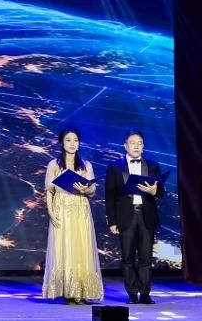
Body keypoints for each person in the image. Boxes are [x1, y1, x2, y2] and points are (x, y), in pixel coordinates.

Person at [42, 128, 103, 304]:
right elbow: (49, 191)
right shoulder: (54, 165)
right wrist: (50, 211)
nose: (72, 143)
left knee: (82, 247)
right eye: (68, 140)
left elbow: (92, 190)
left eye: (75, 140)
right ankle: (68, 291)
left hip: (80, 209)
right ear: (62, 143)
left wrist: (86, 189)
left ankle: (82, 292)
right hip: (61, 208)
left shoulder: (86, 165)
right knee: (65, 247)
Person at [105, 130, 165, 304]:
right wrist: (112, 221)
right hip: (125, 216)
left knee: (146, 258)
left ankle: (145, 294)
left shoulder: (153, 165)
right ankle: (132, 294)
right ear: (125, 146)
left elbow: (161, 192)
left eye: (140, 143)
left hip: (146, 215)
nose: (136, 146)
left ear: (143, 146)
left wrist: (155, 191)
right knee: (127, 258)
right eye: (132, 143)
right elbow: (110, 196)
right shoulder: (115, 167)